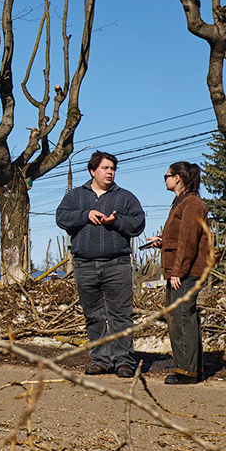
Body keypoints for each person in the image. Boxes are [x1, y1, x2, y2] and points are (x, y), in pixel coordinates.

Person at [56, 151, 146, 378]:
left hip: (117, 265)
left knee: (120, 315)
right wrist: (85, 215)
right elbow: (61, 217)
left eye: (113, 169)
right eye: (105, 168)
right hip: (84, 265)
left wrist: (117, 221)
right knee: (93, 316)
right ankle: (101, 360)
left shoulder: (125, 197)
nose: (110, 172)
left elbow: (138, 223)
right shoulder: (76, 196)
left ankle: (123, 361)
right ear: (92, 171)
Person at [146, 161, 212, 385]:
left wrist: (178, 272)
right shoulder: (181, 203)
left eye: (166, 176)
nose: (165, 180)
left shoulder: (191, 203)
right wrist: (162, 241)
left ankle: (186, 371)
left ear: (177, 178)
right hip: (183, 270)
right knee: (183, 316)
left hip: (186, 272)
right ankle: (193, 369)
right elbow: (180, 238)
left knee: (181, 317)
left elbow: (188, 241)